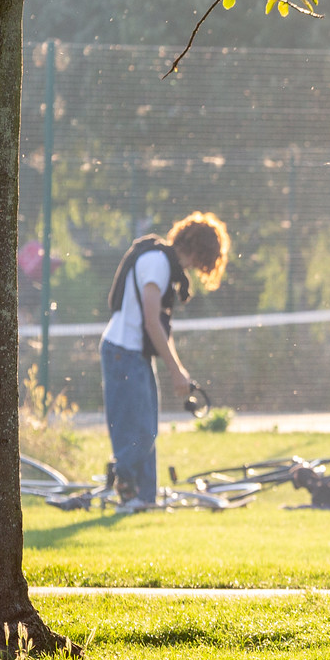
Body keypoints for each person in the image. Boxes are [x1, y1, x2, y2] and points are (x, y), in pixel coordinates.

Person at [99, 212, 230, 514]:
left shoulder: (163, 264)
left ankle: (144, 499)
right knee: (140, 432)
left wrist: (177, 369)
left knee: (147, 430)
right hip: (123, 352)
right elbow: (150, 320)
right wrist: (176, 370)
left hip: (133, 353)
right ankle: (124, 480)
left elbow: (155, 323)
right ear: (200, 251)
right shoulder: (157, 263)